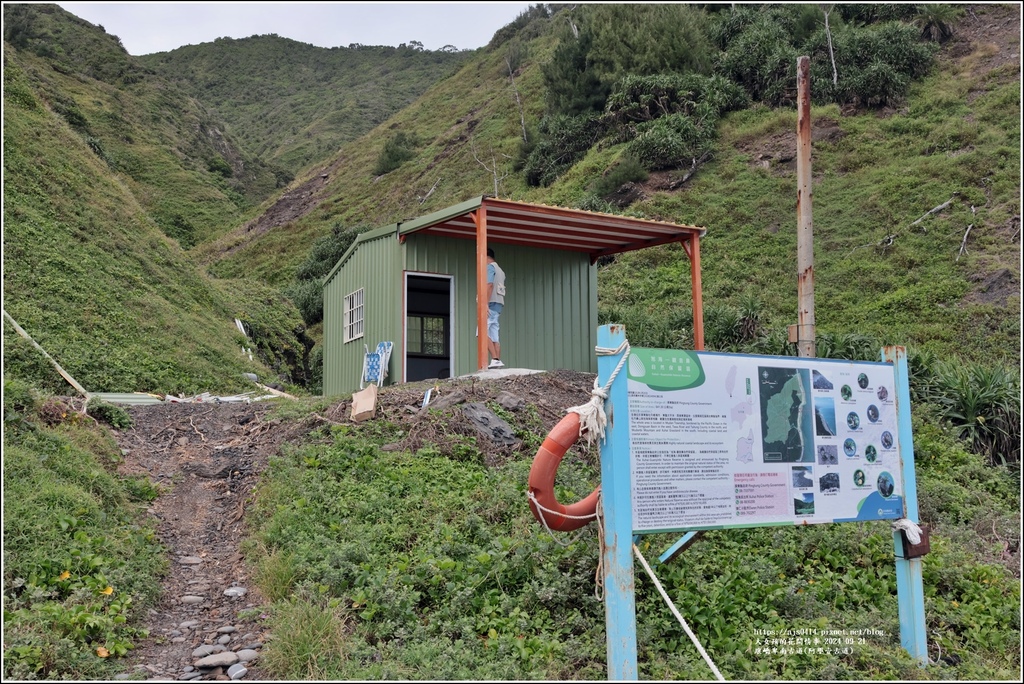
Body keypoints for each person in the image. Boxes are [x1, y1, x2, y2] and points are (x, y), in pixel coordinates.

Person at [486, 247, 506, 368]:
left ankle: (494, 359)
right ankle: (497, 361)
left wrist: (484, 304)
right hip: (498, 305)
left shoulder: (490, 267)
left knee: (482, 333)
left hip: (490, 304)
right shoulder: (501, 271)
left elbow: (489, 285)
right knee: (494, 335)